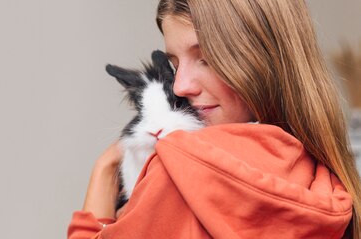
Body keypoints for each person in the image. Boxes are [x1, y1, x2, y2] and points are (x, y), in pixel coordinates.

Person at [68, 0, 361, 238]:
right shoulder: (322, 178)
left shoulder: (179, 168)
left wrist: (104, 170)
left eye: (206, 59)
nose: (181, 85)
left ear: (259, 59)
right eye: (174, 64)